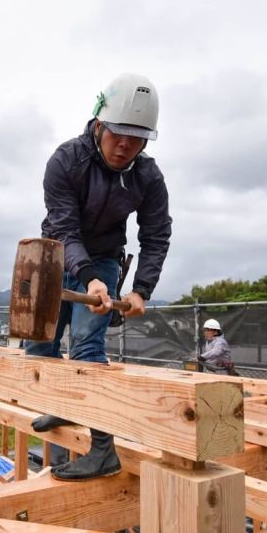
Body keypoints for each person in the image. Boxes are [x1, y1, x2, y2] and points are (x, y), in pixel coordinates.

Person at [26, 73, 172, 481]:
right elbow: (65, 229)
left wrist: (142, 289)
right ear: (98, 125)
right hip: (58, 252)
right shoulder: (66, 160)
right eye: (119, 134)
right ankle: (64, 404)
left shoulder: (147, 176)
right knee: (42, 344)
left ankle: (103, 450)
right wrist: (87, 277)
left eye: (137, 137)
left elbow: (156, 234)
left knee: (88, 346)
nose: (126, 145)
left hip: (107, 257)